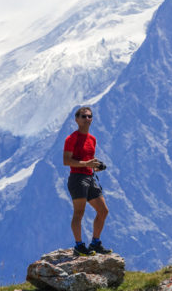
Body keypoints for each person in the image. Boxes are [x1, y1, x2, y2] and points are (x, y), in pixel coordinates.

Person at [63, 106, 112, 256]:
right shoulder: (71, 139)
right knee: (79, 213)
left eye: (89, 116)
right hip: (77, 178)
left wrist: (97, 165)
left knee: (103, 211)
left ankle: (95, 243)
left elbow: (87, 159)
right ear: (76, 119)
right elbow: (66, 161)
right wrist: (86, 164)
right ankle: (79, 245)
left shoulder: (92, 139)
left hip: (90, 177)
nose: (87, 119)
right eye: (83, 116)